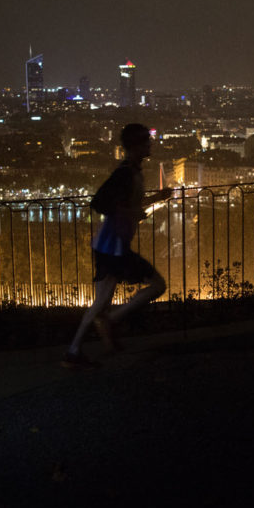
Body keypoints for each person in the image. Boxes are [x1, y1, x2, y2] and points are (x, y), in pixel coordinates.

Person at [63, 124, 173, 369]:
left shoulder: (130, 172)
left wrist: (157, 198)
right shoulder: (126, 173)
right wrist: (132, 213)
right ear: (135, 146)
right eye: (146, 141)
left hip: (108, 245)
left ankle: (73, 351)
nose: (150, 145)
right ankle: (112, 320)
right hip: (114, 246)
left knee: (100, 302)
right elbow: (101, 202)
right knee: (157, 285)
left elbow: (124, 203)